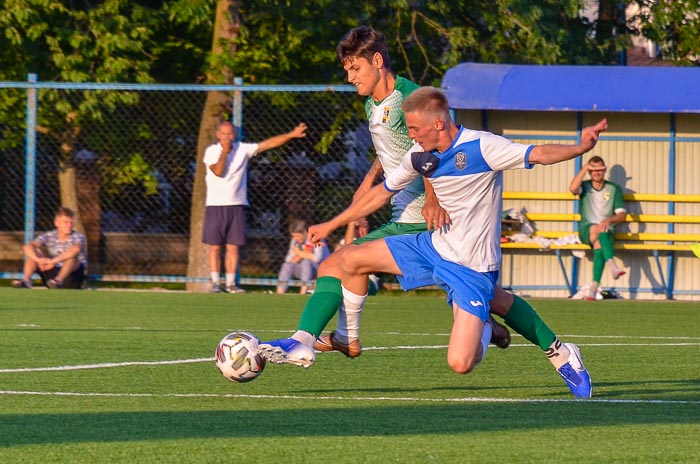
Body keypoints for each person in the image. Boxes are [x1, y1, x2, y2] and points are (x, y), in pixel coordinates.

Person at [259, 27, 593, 398]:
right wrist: (335, 221)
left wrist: (580, 146)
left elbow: (538, 153)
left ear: (436, 124)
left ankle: (550, 346)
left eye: (416, 130)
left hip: (468, 259)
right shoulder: (413, 148)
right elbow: (387, 185)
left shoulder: (481, 146)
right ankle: (309, 340)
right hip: (431, 242)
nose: (412, 137)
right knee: (346, 260)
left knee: (462, 360)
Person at [203, 120, 308, 293]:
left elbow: (267, 144)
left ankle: (230, 284)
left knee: (233, 246)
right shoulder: (212, 151)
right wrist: (224, 152)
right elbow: (218, 171)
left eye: (230, 134)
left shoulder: (242, 149)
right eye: (224, 134)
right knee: (214, 246)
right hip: (216, 205)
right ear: (218, 135)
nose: (227, 137)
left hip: (237, 204)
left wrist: (291, 135)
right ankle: (215, 283)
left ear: (234, 135)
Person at [569, 156, 627, 300]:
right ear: (589, 171)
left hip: (607, 232)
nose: (597, 173)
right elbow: (572, 188)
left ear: (605, 169)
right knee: (599, 229)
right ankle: (612, 264)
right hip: (586, 229)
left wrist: (610, 219)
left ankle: (593, 288)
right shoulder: (585, 187)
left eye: (600, 170)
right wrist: (584, 169)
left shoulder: (614, 189)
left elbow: (621, 215)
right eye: (593, 170)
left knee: (600, 243)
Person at [12, 206, 87, 289]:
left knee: (73, 258)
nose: (69, 225)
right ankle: (26, 281)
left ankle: (58, 281)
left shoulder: (78, 236)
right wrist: (39, 260)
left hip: (72, 276)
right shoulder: (49, 235)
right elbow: (28, 247)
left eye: (71, 222)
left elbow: (76, 249)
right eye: (66, 222)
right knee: (35, 252)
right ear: (56, 223)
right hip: (52, 271)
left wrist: (53, 261)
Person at [276, 220, 330, 294]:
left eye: (298, 236)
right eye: (294, 236)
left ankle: (303, 292)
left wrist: (299, 253)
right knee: (286, 266)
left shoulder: (316, 238)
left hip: (321, 269)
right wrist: (303, 254)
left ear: (305, 232)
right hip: (305, 270)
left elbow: (317, 258)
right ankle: (280, 293)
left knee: (306, 262)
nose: (296, 238)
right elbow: (288, 260)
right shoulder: (294, 241)